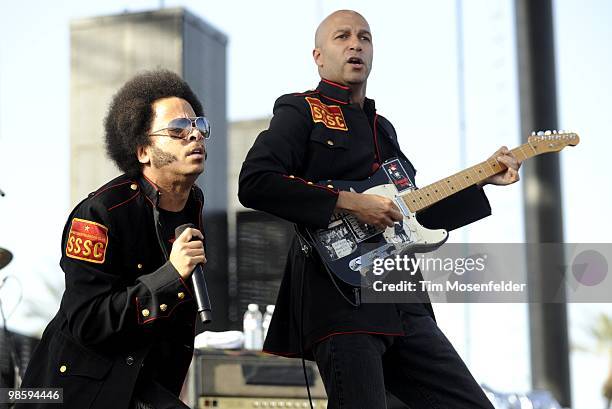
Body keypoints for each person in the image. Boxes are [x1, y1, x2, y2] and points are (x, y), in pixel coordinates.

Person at [238, 10, 521, 409]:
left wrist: (481, 181)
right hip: (341, 300)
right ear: (318, 56)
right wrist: (350, 202)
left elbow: (418, 216)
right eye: (343, 37)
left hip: (401, 299)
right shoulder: (300, 110)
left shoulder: (383, 128)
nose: (356, 44)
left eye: (365, 37)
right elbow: (255, 182)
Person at [18, 70, 210, 409]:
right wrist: (170, 274)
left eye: (199, 125)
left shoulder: (192, 203)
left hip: (143, 384)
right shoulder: (100, 214)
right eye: (178, 129)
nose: (194, 134)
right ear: (143, 152)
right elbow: (87, 321)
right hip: (76, 392)